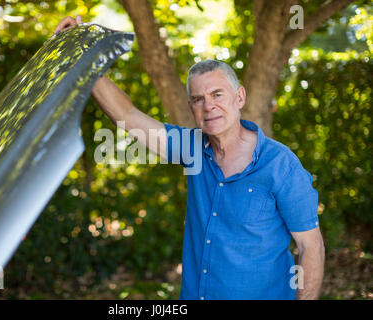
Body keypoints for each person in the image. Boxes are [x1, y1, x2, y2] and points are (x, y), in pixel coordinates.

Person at [53, 16, 325, 300]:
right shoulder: (192, 148)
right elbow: (127, 116)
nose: (209, 106)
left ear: (240, 98)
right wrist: (84, 54)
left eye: (217, 94)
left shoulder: (281, 165)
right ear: (191, 106)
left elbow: (311, 247)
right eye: (198, 99)